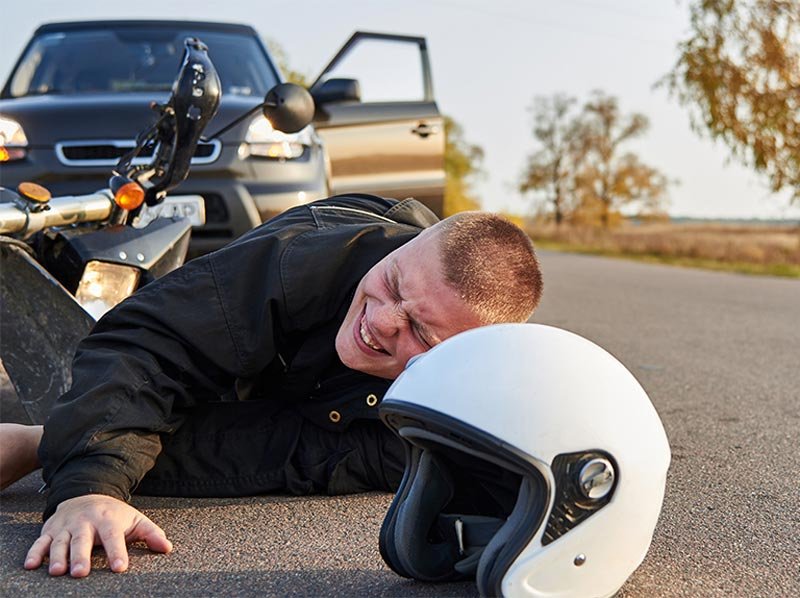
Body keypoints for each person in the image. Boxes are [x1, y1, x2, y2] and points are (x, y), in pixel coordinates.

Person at [0, 194, 543, 578]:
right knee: (184, 373)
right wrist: (90, 486)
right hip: (252, 327)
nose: (381, 321)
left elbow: (278, 453)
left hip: (336, 400)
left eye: (420, 330)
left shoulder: (448, 407)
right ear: (403, 251)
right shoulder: (300, 259)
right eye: (394, 281)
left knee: (290, 441)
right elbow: (149, 342)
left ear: (460, 359)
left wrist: (53, 447)